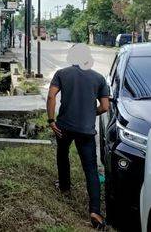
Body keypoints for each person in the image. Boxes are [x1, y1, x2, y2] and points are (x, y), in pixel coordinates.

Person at [46, 44, 110, 230]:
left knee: (62, 154)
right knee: (91, 169)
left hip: (64, 126)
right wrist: (92, 113)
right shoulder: (99, 78)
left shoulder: (62, 74)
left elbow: (51, 97)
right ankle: (95, 211)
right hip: (86, 130)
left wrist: (51, 120)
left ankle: (65, 186)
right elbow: (105, 107)